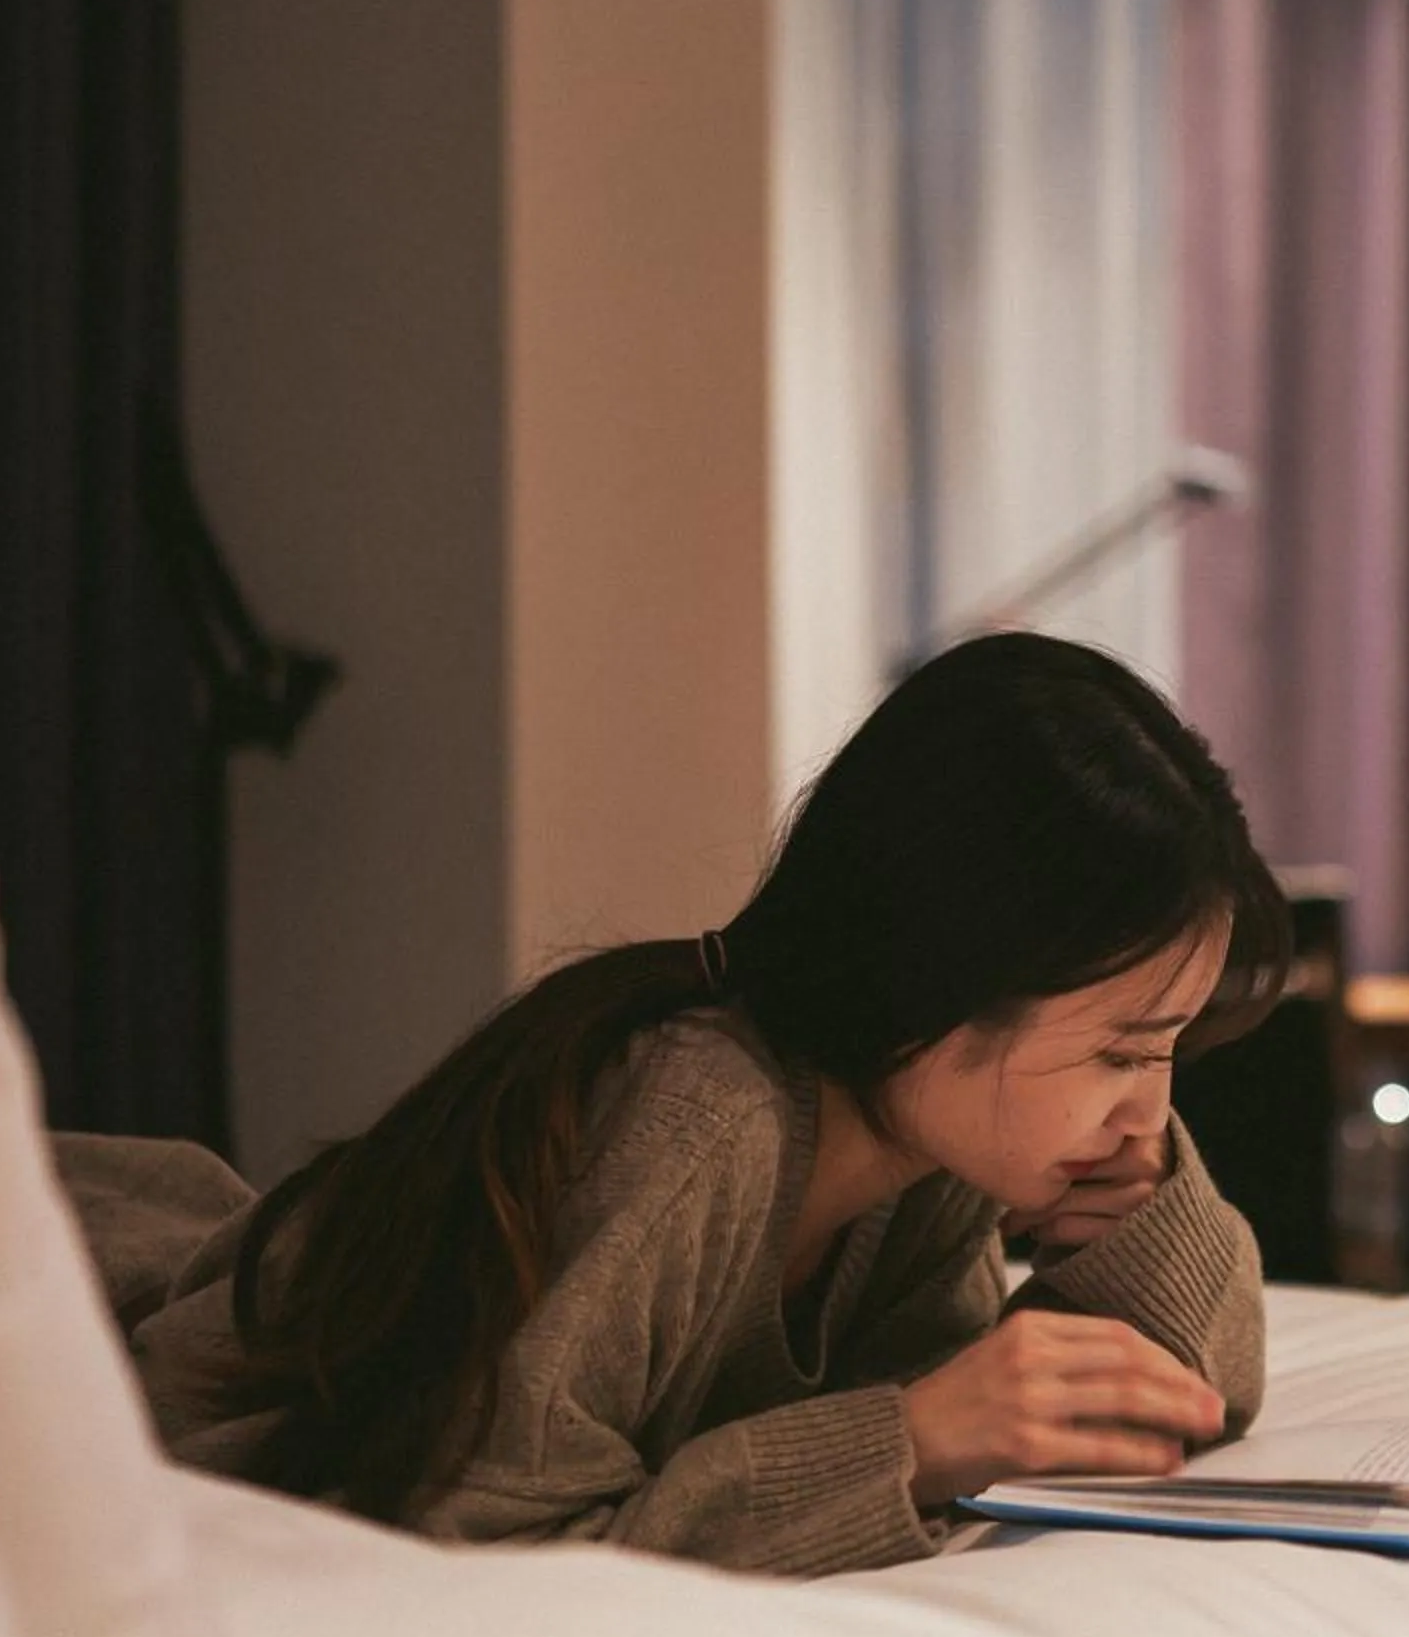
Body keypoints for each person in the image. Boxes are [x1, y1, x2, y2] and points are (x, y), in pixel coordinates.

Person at [96, 632, 1284, 1578]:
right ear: (943, 981)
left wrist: (1148, 1214)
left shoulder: (926, 1153)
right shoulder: (702, 1125)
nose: (1149, 1113)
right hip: (142, 1399)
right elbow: (474, 1547)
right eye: (1126, 1051)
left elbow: (1188, 1393)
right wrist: (907, 1438)